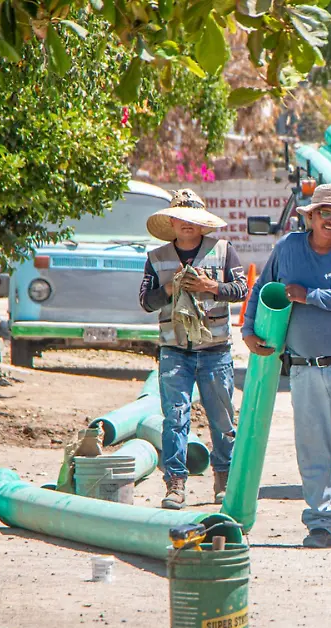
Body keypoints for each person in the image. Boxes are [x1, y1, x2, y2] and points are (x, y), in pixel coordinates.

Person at [241, 184, 331, 549]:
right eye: (325, 213)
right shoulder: (289, 248)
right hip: (303, 367)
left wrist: (310, 296)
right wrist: (248, 329)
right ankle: (320, 523)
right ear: (311, 216)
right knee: (314, 449)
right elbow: (262, 288)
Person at [140, 189, 248, 510]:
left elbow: (241, 289)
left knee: (222, 417)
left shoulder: (224, 252)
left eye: (192, 220)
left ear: (201, 225)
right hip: (174, 350)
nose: (187, 225)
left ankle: (224, 477)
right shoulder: (156, 258)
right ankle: (175, 482)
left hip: (215, 350)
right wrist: (169, 289)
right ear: (172, 222)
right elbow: (145, 301)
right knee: (175, 417)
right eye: (181, 219)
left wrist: (210, 286)